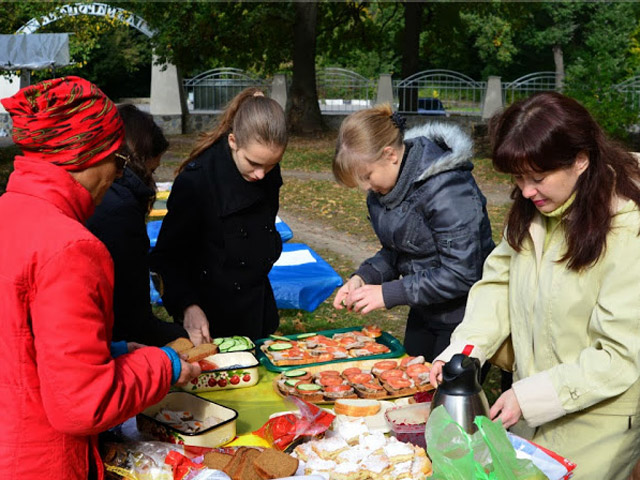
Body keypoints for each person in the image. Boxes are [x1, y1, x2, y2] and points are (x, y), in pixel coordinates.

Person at [429, 91, 640, 479]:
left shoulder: (629, 228)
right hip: (531, 414)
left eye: (537, 178)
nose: (526, 191)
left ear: (581, 160)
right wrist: (465, 351)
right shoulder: (534, 209)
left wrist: (529, 397)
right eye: (518, 178)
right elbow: (498, 284)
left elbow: (619, 356)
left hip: (598, 425)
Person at [0, 76, 201, 480]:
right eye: (117, 161)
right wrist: (164, 363)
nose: (114, 177)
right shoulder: (71, 246)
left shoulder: (9, 211)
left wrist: (111, 350)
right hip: (40, 460)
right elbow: (82, 404)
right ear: (87, 157)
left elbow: (22, 341)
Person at [332, 104, 495, 362]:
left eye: (367, 176)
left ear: (390, 155)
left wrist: (389, 293)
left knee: (445, 397)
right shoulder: (385, 190)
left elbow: (462, 272)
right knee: (411, 387)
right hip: (424, 310)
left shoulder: (448, 188)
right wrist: (365, 277)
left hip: (465, 317)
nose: (366, 187)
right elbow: (397, 249)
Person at [149, 87, 287, 345]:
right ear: (233, 141)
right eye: (254, 163)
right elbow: (167, 258)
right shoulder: (198, 180)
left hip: (256, 307)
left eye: (270, 165)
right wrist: (187, 306)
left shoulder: (266, 173)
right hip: (209, 316)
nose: (261, 175)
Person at [86, 103, 188, 346]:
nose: (152, 181)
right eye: (151, 172)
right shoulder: (119, 210)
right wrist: (181, 337)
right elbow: (133, 318)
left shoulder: (108, 201)